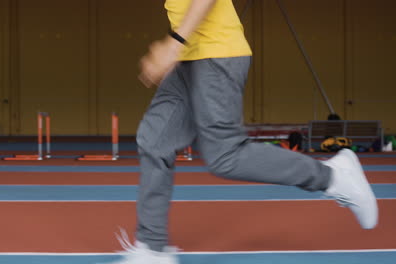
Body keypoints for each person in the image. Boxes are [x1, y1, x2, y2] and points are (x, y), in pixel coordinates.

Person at [108, 0, 378, 263]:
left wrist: (174, 41)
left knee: (225, 155)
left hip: (216, 54)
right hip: (190, 55)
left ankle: (333, 176)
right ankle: (152, 250)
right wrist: (177, 44)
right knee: (155, 140)